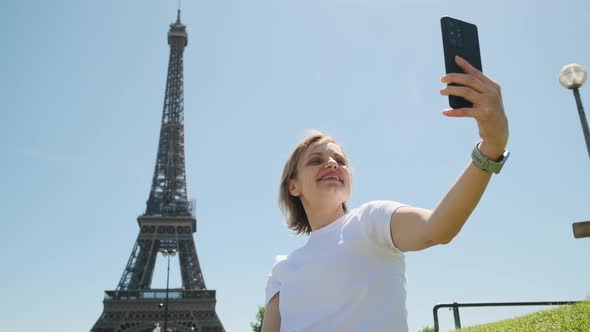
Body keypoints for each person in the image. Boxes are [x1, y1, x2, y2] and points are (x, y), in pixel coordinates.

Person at [261, 56, 509, 332]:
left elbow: (438, 228)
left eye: (340, 161)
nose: (332, 163)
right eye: (316, 160)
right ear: (293, 186)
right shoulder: (282, 269)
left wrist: (490, 148)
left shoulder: (371, 220)